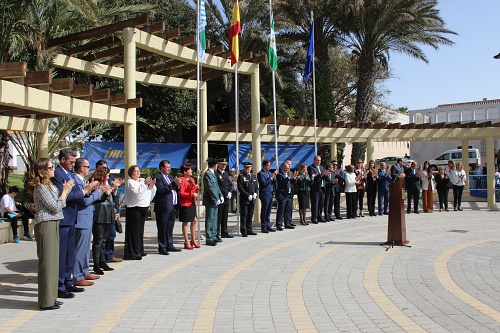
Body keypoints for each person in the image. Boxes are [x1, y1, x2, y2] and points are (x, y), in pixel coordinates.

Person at [52, 148, 97, 299]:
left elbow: (75, 192)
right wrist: (85, 191)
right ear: (62, 160)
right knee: (62, 253)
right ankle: (60, 285)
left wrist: (84, 191)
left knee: (70, 253)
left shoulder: (68, 173)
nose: (73, 164)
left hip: (72, 217)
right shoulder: (58, 174)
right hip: (64, 217)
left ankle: (68, 280)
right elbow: (65, 195)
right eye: (71, 162)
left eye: (74, 162)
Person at [32, 157, 74, 310]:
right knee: (47, 264)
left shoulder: (48, 186)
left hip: (55, 222)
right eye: (50, 168)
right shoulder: (41, 188)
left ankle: (51, 297)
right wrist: (65, 192)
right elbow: (55, 206)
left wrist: (64, 194)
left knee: (54, 263)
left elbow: (58, 204)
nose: (52, 170)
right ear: (43, 170)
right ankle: (45, 300)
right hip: (46, 224)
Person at [73, 158, 103, 287]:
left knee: (85, 248)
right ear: (81, 168)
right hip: (81, 217)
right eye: (87, 166)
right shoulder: (75, 180)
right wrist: (97, 192)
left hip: (87, 216)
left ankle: (84, 271)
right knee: (79, 248)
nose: (89, 169)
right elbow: (83, 200)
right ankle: (77, 275)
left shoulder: (81, 181)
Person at [123, 165, 157, 260]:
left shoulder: (142, 180)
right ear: (131, 173)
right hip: (134, 209)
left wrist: (152, 186)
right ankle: (134, 252)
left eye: (138, 171)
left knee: (140, 231)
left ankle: (140, 249)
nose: (138, 173)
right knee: (134, 231)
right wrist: (145, 184)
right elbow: (136, 193)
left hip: (143, 208)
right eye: (135, 171)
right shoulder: (130, 182)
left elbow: (150, 192)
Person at [96, 160, 123, 264]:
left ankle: (109, 255)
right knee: (101, 237)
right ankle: (100, 259)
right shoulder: (96, 180)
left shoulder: (111, 178)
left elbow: (114, 196)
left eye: (106, 168)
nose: (105, 171)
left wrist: (114, 189)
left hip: (111, 209)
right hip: (101, 212)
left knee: (111, 234)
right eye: (102, 168)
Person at [154, 160, 182, 255]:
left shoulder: (170, 177)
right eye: (167, 167)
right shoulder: (158, 177)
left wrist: (178, 185)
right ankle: (162, 246)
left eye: (169, 167)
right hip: (163, 206)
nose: (169, 169)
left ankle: (169, 244)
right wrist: (174, 184)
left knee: (170, 226)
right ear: (162, 168)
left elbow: (173, 188)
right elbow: (161, 190)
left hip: (172, 205)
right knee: (162, 227)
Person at [91, 166, 115, 275]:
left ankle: (102, 261)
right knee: (98, 240)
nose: (108, 177)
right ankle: (96, 264)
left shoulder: (106, 185)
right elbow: (97, 199)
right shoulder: (95, 184)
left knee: (104, 239)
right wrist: (106, 193)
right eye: (107, 175)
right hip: (99, 213)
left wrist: (112, 189)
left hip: (108, 213)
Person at [178, 164, 200, 249]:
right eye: (189, 170)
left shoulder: (192, 179)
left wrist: (196, 188)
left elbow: (194, 190)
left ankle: (193, 240)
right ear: (185, 172)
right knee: (186, 222)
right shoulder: (182, 180)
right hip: (185, 203)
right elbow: (181, 193)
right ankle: (186, 241)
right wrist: (191, 194)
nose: (191, 171)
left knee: (194, 220)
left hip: (192, 203)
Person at [203, 159, 223, 246]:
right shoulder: (207, 174)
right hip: (210, 199)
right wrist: (216, 197)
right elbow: (210, 187)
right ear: (214, 165)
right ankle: (209, 238)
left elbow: (217, 187)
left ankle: (214, 235)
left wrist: (220, 195)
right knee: (210, 219)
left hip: (215, 199)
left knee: (215, 218)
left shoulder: (213, 174)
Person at [237, 162, 259, 236]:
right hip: (245, 199)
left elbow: (256, 187)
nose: (247, 169)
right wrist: (247, 195)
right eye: (246, 168)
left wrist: (256, 193)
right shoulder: (241, 176)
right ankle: (243, 230)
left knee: (250, 214)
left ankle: (249, 229)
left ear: (251, 168)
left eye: (248, 168)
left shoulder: (253, 176)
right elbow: (240, 188)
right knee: (244, 215)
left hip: (252, 199)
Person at [275, 160, 298, 230]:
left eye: (288, 168)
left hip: (289, 194)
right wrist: (287, 177)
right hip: (282, 195)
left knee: (288, 210)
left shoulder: (289, 174)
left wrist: (294, 178)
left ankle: (287, 223)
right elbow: (282, 183)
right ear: (283, 167)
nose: (287, 170)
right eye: (286, 168)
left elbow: (292, 183)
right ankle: (279, 224)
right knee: (281, 210)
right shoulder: (279, 174)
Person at [257, 159, 277, 233]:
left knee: (269, 211)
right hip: (264, 194)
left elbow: (273, 183)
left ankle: (268, 225)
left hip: (270, 193)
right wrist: (271, 178)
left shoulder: (269, 172)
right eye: (268, 165)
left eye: (270, 165)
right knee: (264, 210)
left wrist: (274, 178)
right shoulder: (260, 174)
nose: (269, 167)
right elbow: (263, 183)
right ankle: (263, 226)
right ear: (264, 166)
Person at [216, 158, 233, 239]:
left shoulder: (226, 174)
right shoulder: (216, 174)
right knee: (219, 216)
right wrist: (226, 192)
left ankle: (224, 232)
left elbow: (230, 184)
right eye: (222, 164)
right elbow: (217, 186)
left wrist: (230, 192)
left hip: (226, 197)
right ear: (218, 164)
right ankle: (217, 233)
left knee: (225, 216)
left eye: (225, 164)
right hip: (221, 197)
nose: (224, 166)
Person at [308, 155, 327, 223]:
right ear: (314, 160)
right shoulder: (311, 168)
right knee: (315, 204)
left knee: (321, 203)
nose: (319, 162)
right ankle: (314, 218)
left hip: (322, 188)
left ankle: (320, 216)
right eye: (317, 160)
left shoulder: (322, 167)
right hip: (315, 188)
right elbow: (313, 177)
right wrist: (320, 174)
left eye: (320, 160)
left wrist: (325, 175)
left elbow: (324, 177)